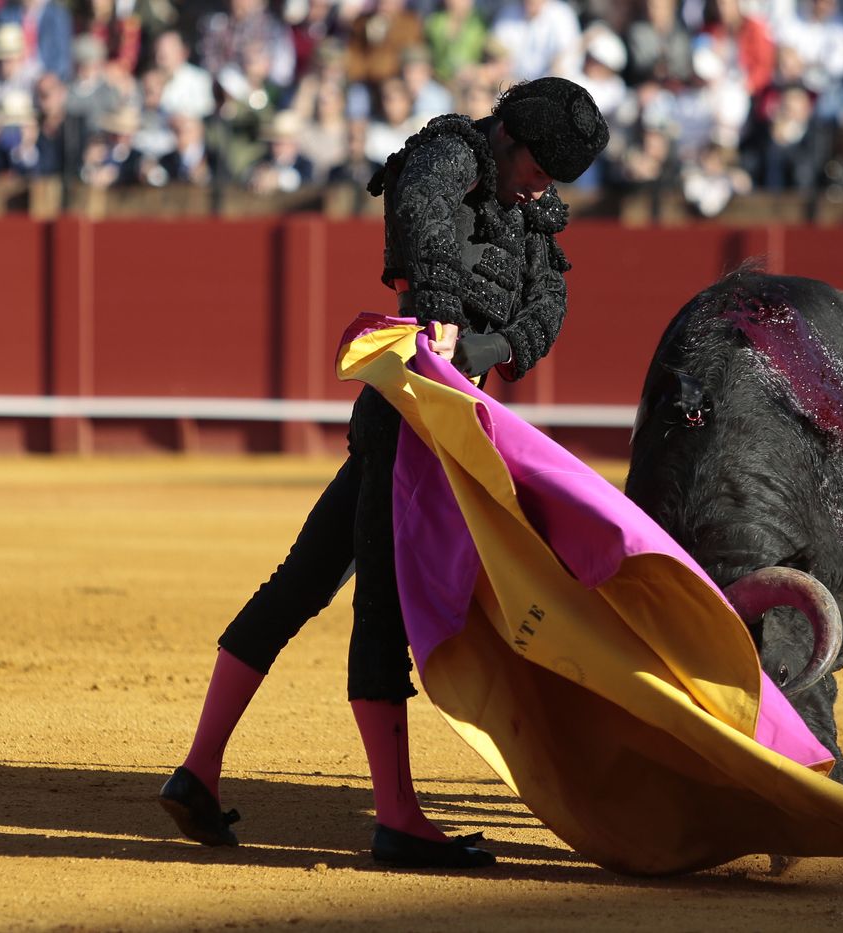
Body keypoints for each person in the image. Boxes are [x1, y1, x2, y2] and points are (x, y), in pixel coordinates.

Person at [159, 75, 610, 870]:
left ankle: (198, 769)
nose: (542, 189)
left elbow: (548, 301)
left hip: (442, 425)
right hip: (409, 417)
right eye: (539, 170)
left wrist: (493, 346)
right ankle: (397, 818)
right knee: (380, 612)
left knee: (301, 582)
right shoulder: (453, 153)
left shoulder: (530, 210)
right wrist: (440, 313)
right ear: (510, 136)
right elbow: (421, 211)